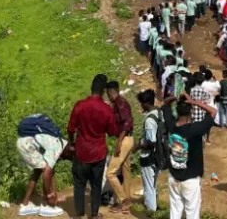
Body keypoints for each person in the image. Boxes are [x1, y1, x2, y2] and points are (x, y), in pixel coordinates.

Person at [67, 74, 119, 219]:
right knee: (96, 185)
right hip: (98, 153)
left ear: (91, 88)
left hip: (81, 152)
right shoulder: (107, 110)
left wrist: (72, 143)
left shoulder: (80, 105)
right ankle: (94, 214)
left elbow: (71, 128)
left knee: (79, 184)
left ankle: (78, 214)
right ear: (103, 91)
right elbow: (112, 131)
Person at [162, 93, 216, 219]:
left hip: (174, 176)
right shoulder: (195, 129)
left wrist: (175, 97)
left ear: (177, 111)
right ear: (190, 112)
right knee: (192, 213)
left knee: (175, 211)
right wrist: (194, 102)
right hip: (190, 179)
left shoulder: (171, 125)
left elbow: (165, 104)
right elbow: (213, 111)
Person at [16, 116, 71, 217]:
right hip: (26, 145)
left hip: (24, 142)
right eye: (68, 157)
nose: (64, 159)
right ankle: (46, 205)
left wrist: (54, 192)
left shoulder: (59, 142)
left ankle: (25, 204)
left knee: (38, 171)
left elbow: (51, 170)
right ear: (68, 151)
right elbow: (46, 174)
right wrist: (50, 195)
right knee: (45, 169)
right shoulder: (57, 146)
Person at [106, 81, 136, 212]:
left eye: (108, 94)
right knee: (126, 171)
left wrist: (119, 141)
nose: (108, 97)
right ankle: (126, 203)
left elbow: (127, 123)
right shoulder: (119, 103)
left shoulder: (120, 103)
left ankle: (124, 200)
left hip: (124, 140)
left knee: (110, 173)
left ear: (112, 92)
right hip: (128, 139)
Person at [135, 90, 161, 215]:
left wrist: (138, 145)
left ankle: (151, 212)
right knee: (153, 184)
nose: (141, 106)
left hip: (149, 157)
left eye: (141, 103)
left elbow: (151, 142)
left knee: (149, 186)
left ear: (146, 103)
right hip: (160, 155)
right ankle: (154, 204)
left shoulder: (150, 120)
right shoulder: (159, 113)